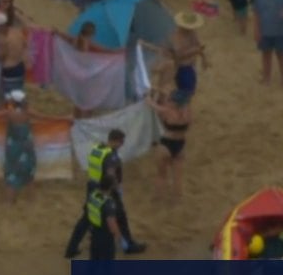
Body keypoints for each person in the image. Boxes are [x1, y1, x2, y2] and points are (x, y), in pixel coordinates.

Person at [64, 129, 147, 258]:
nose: (121, 146)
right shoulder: (111, 155)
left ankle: (71, 247)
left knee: (87, 217)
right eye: (121, 143)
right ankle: (128, 245)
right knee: (120, 215)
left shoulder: (97, 149)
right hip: (106, 188)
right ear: (116, 141)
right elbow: (110, 173)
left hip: (92, 185)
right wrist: (117, 189)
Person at [146, 90, 191, 197]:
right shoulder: (188, 113)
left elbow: (150, 104)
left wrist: (152, 96)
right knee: (178, 178)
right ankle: (177, 201)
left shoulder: (167, 111)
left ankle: (158, 197)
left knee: (161, 175)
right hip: (180, 144)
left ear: (175, 103)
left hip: (165, 145)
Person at [0, 12, 29, 107]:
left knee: (8, 97)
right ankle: (21, 112)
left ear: (1, 26)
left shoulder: (2, 38)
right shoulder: (17, 32)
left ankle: (12, 116)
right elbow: (25, 45)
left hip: (9, 70)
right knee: (18, 94)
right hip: (20, 67)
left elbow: (2, 55)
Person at [86, 173, 123, 260]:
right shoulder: (108, 203)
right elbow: (111, 223)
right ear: (111, 187)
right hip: (105, 238)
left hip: (94, 234)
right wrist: (119, 237)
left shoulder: (94, 195)